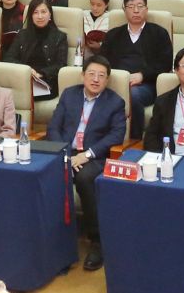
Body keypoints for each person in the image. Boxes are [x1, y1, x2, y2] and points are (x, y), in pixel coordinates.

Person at [50, 56, 129, 270]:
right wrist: (66, 155)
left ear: (107, 80)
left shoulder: (115, 102)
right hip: (66, 152)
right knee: (44, 172)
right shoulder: (69, 94)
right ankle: (54, 239)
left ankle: (97, 241)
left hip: (95, 156)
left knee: (85, 178)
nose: (96, 79)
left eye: (101, 76)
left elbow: (116, 135)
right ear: (82, 75)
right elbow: (54, 127)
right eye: (91, 74)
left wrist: (87, 155)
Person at [112, 0, 174, 130]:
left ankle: (135, 138)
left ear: (146, 9)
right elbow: (103, 61)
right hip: (116, 82)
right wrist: (119, 79)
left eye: (140, 6)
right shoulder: (113, 34)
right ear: (124, 9)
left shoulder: (159, 33)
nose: (136, 10)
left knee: (133, 95)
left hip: (147, 85)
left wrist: (142, 75)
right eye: (131, 6)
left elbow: (165, 64)